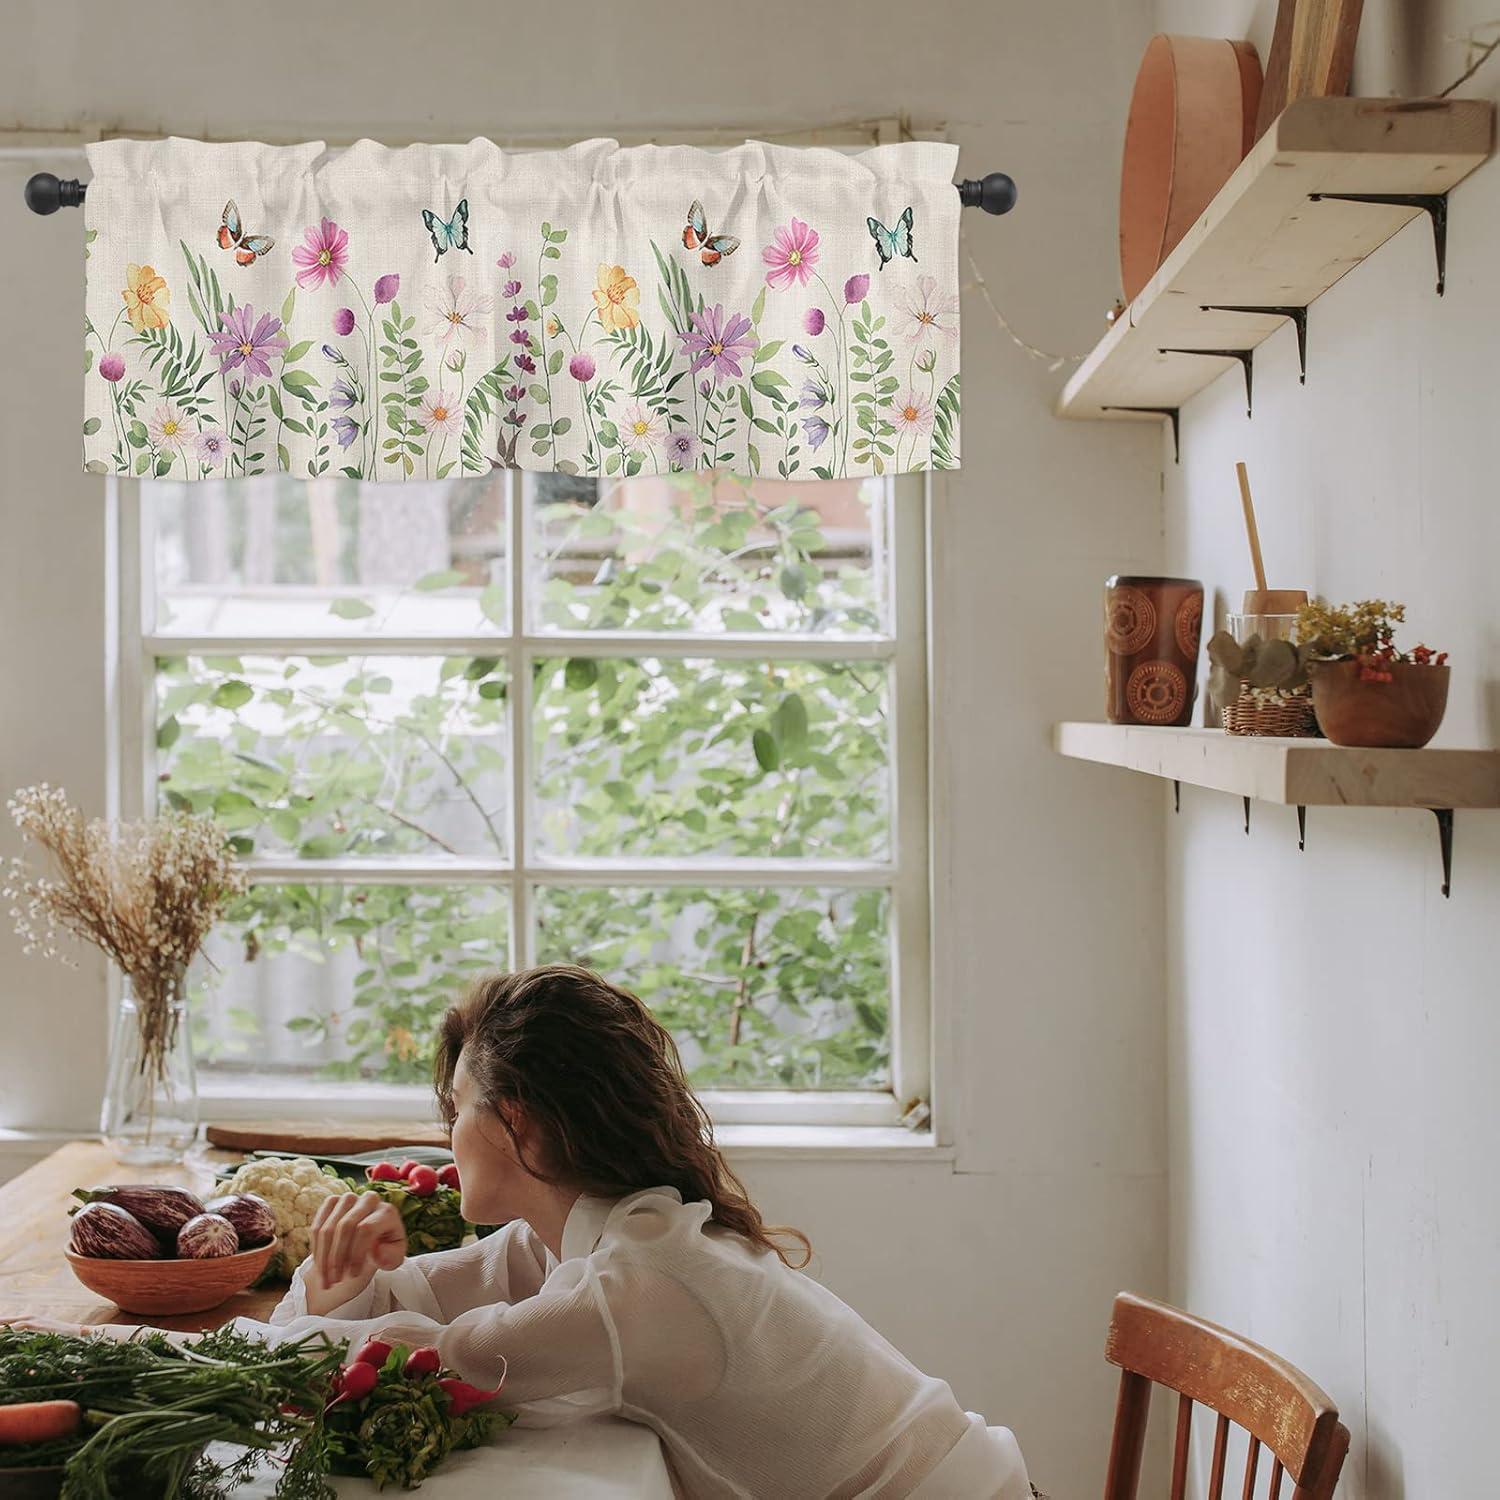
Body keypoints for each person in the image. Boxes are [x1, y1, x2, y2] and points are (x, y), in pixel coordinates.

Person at [14, 965, 1037, 1498]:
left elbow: (412, 1357)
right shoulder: (579, 1238)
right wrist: (343, 1281)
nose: (443, 1131)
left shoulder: (633, 1292)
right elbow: (412, 1304)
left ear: (525, 1130)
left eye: (457, 1104)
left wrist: (309, 1323)